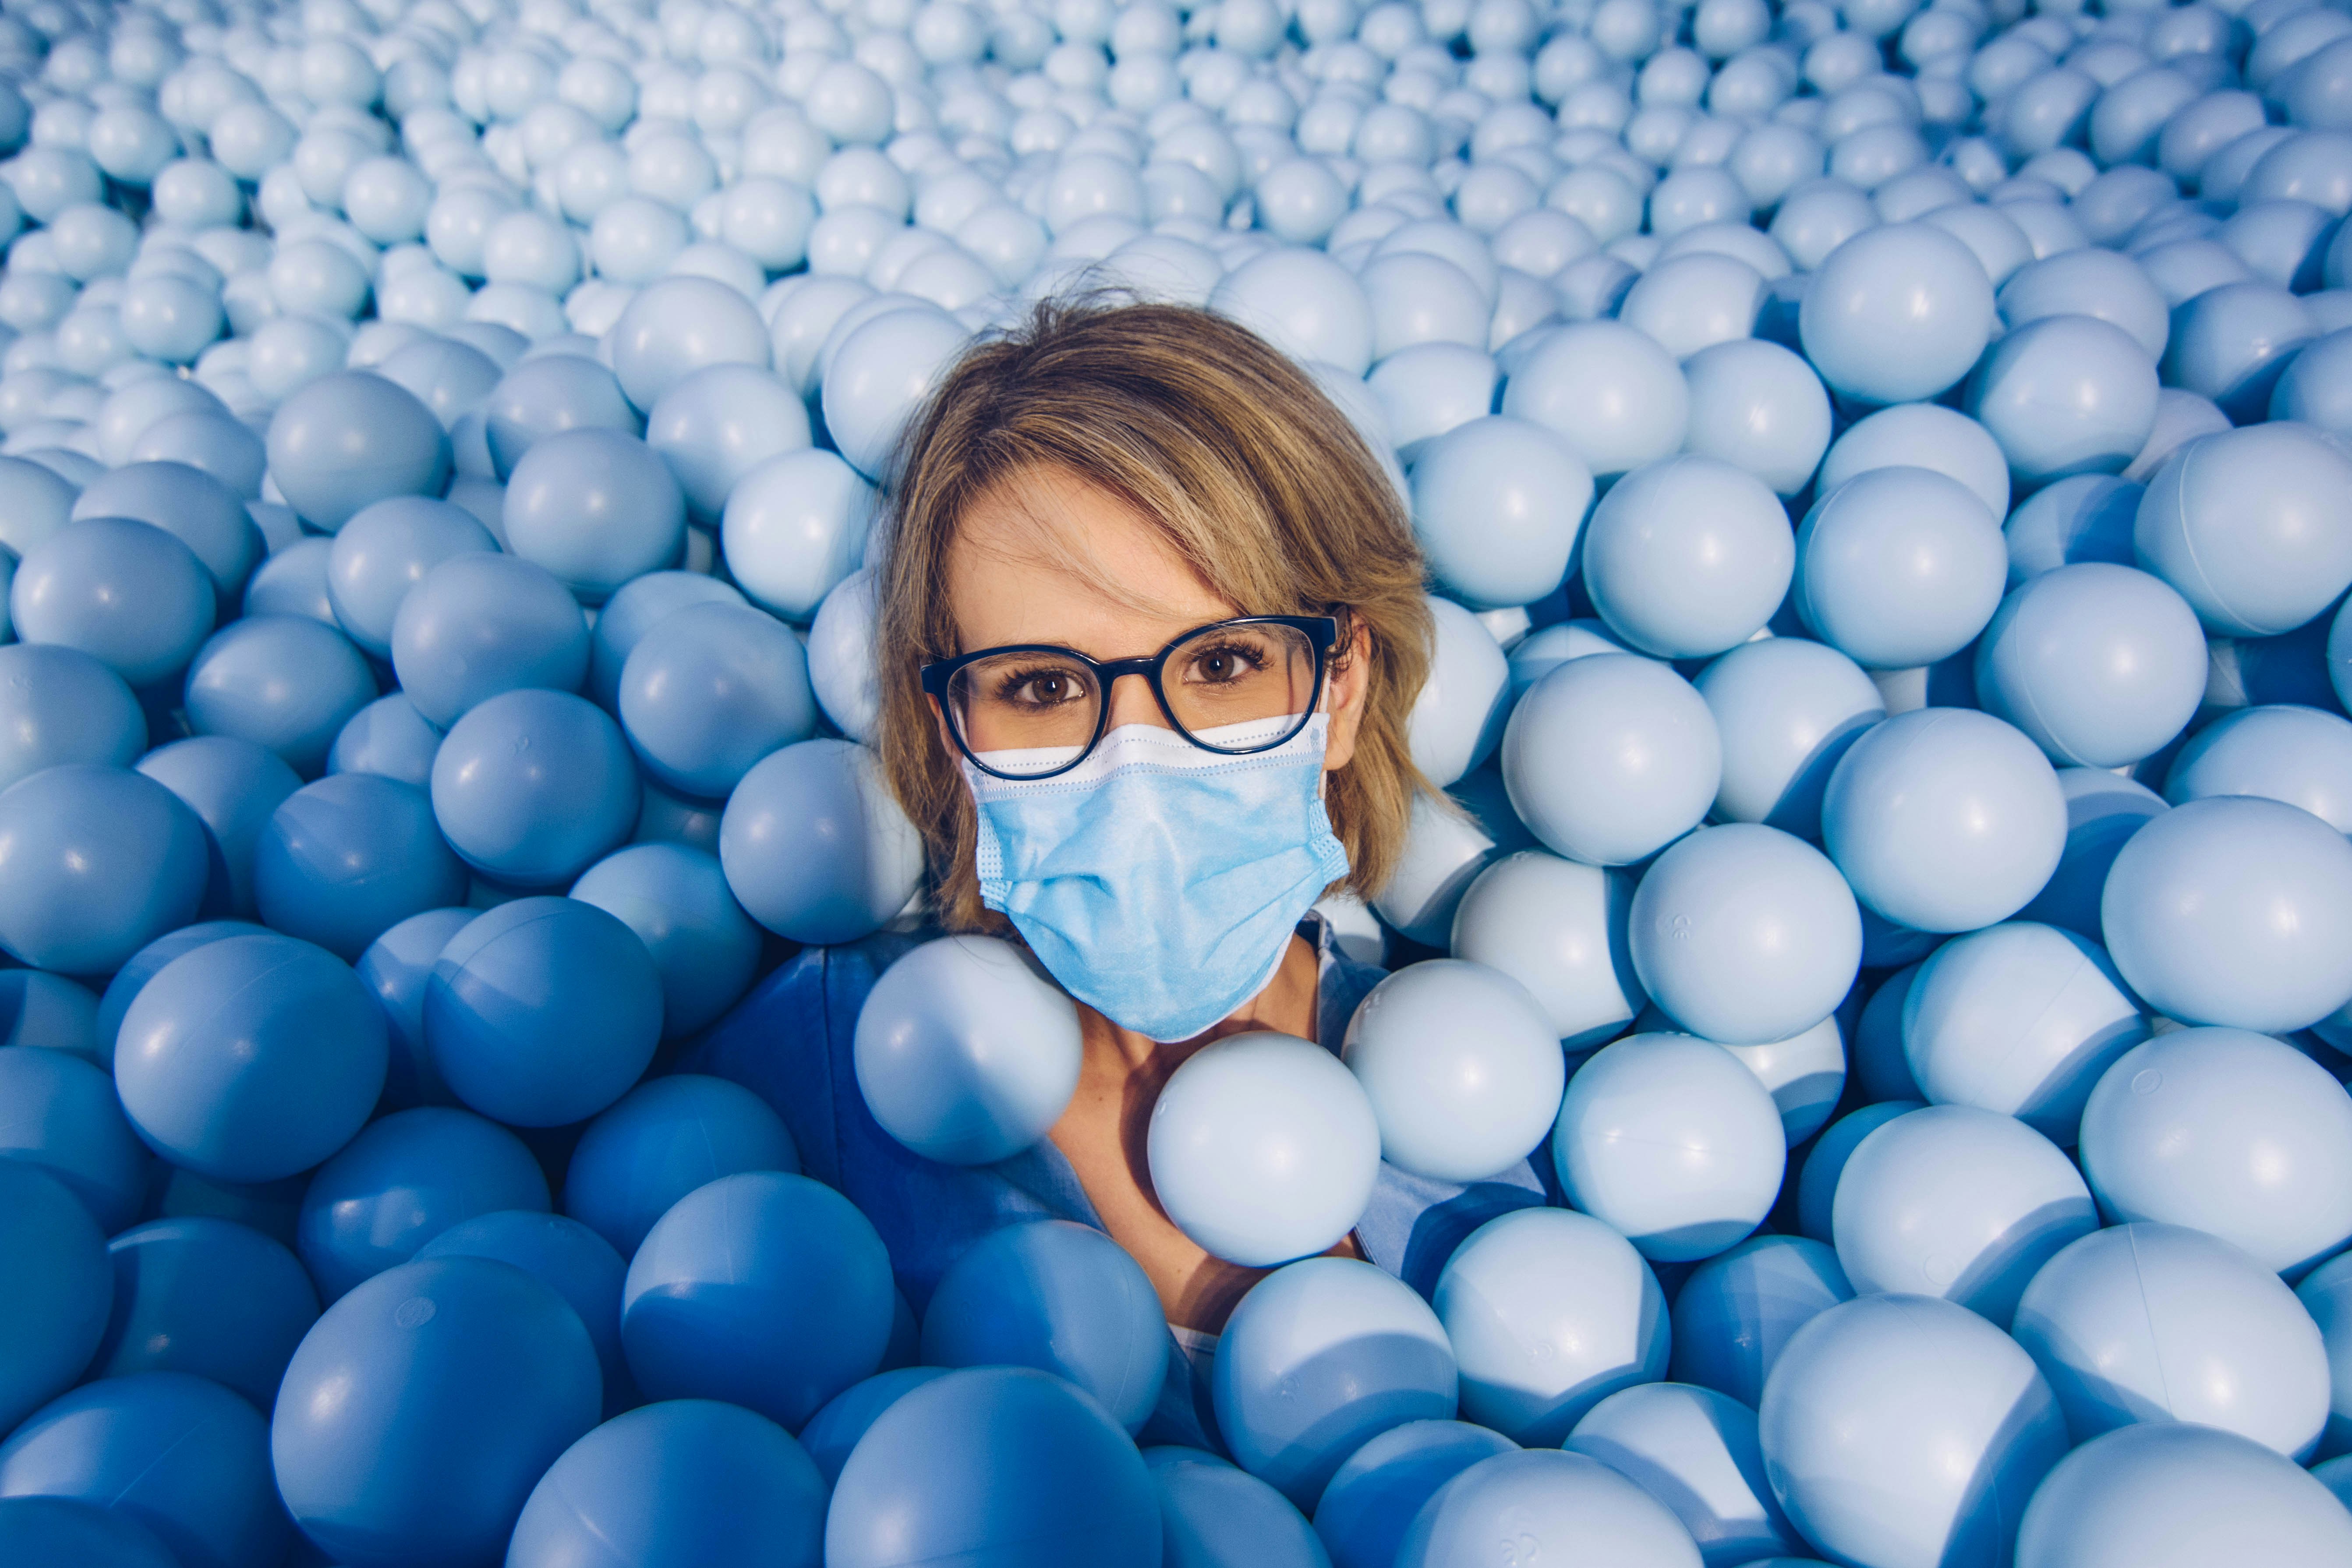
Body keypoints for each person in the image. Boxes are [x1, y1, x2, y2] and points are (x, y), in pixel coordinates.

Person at [680, 294, 1560, 1448]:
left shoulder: (1489, 1104)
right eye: (1041, 686)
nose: (1138, 768)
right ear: (950, 725)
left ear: (1339, 687)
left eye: (1225, 660)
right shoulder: (811, 1088)